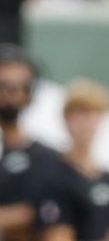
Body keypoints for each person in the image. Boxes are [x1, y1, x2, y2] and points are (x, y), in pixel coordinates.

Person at [37, 78, 109, 241]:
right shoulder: (51, 174)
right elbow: (56, 235)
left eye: (96, 114)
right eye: (82, 114)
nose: (88, 123)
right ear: (66, 118)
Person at [0, 44, 63, 241]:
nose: (10, 94)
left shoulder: (48, 159)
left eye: (19, 87)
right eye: (2, 85)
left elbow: (47, 215)